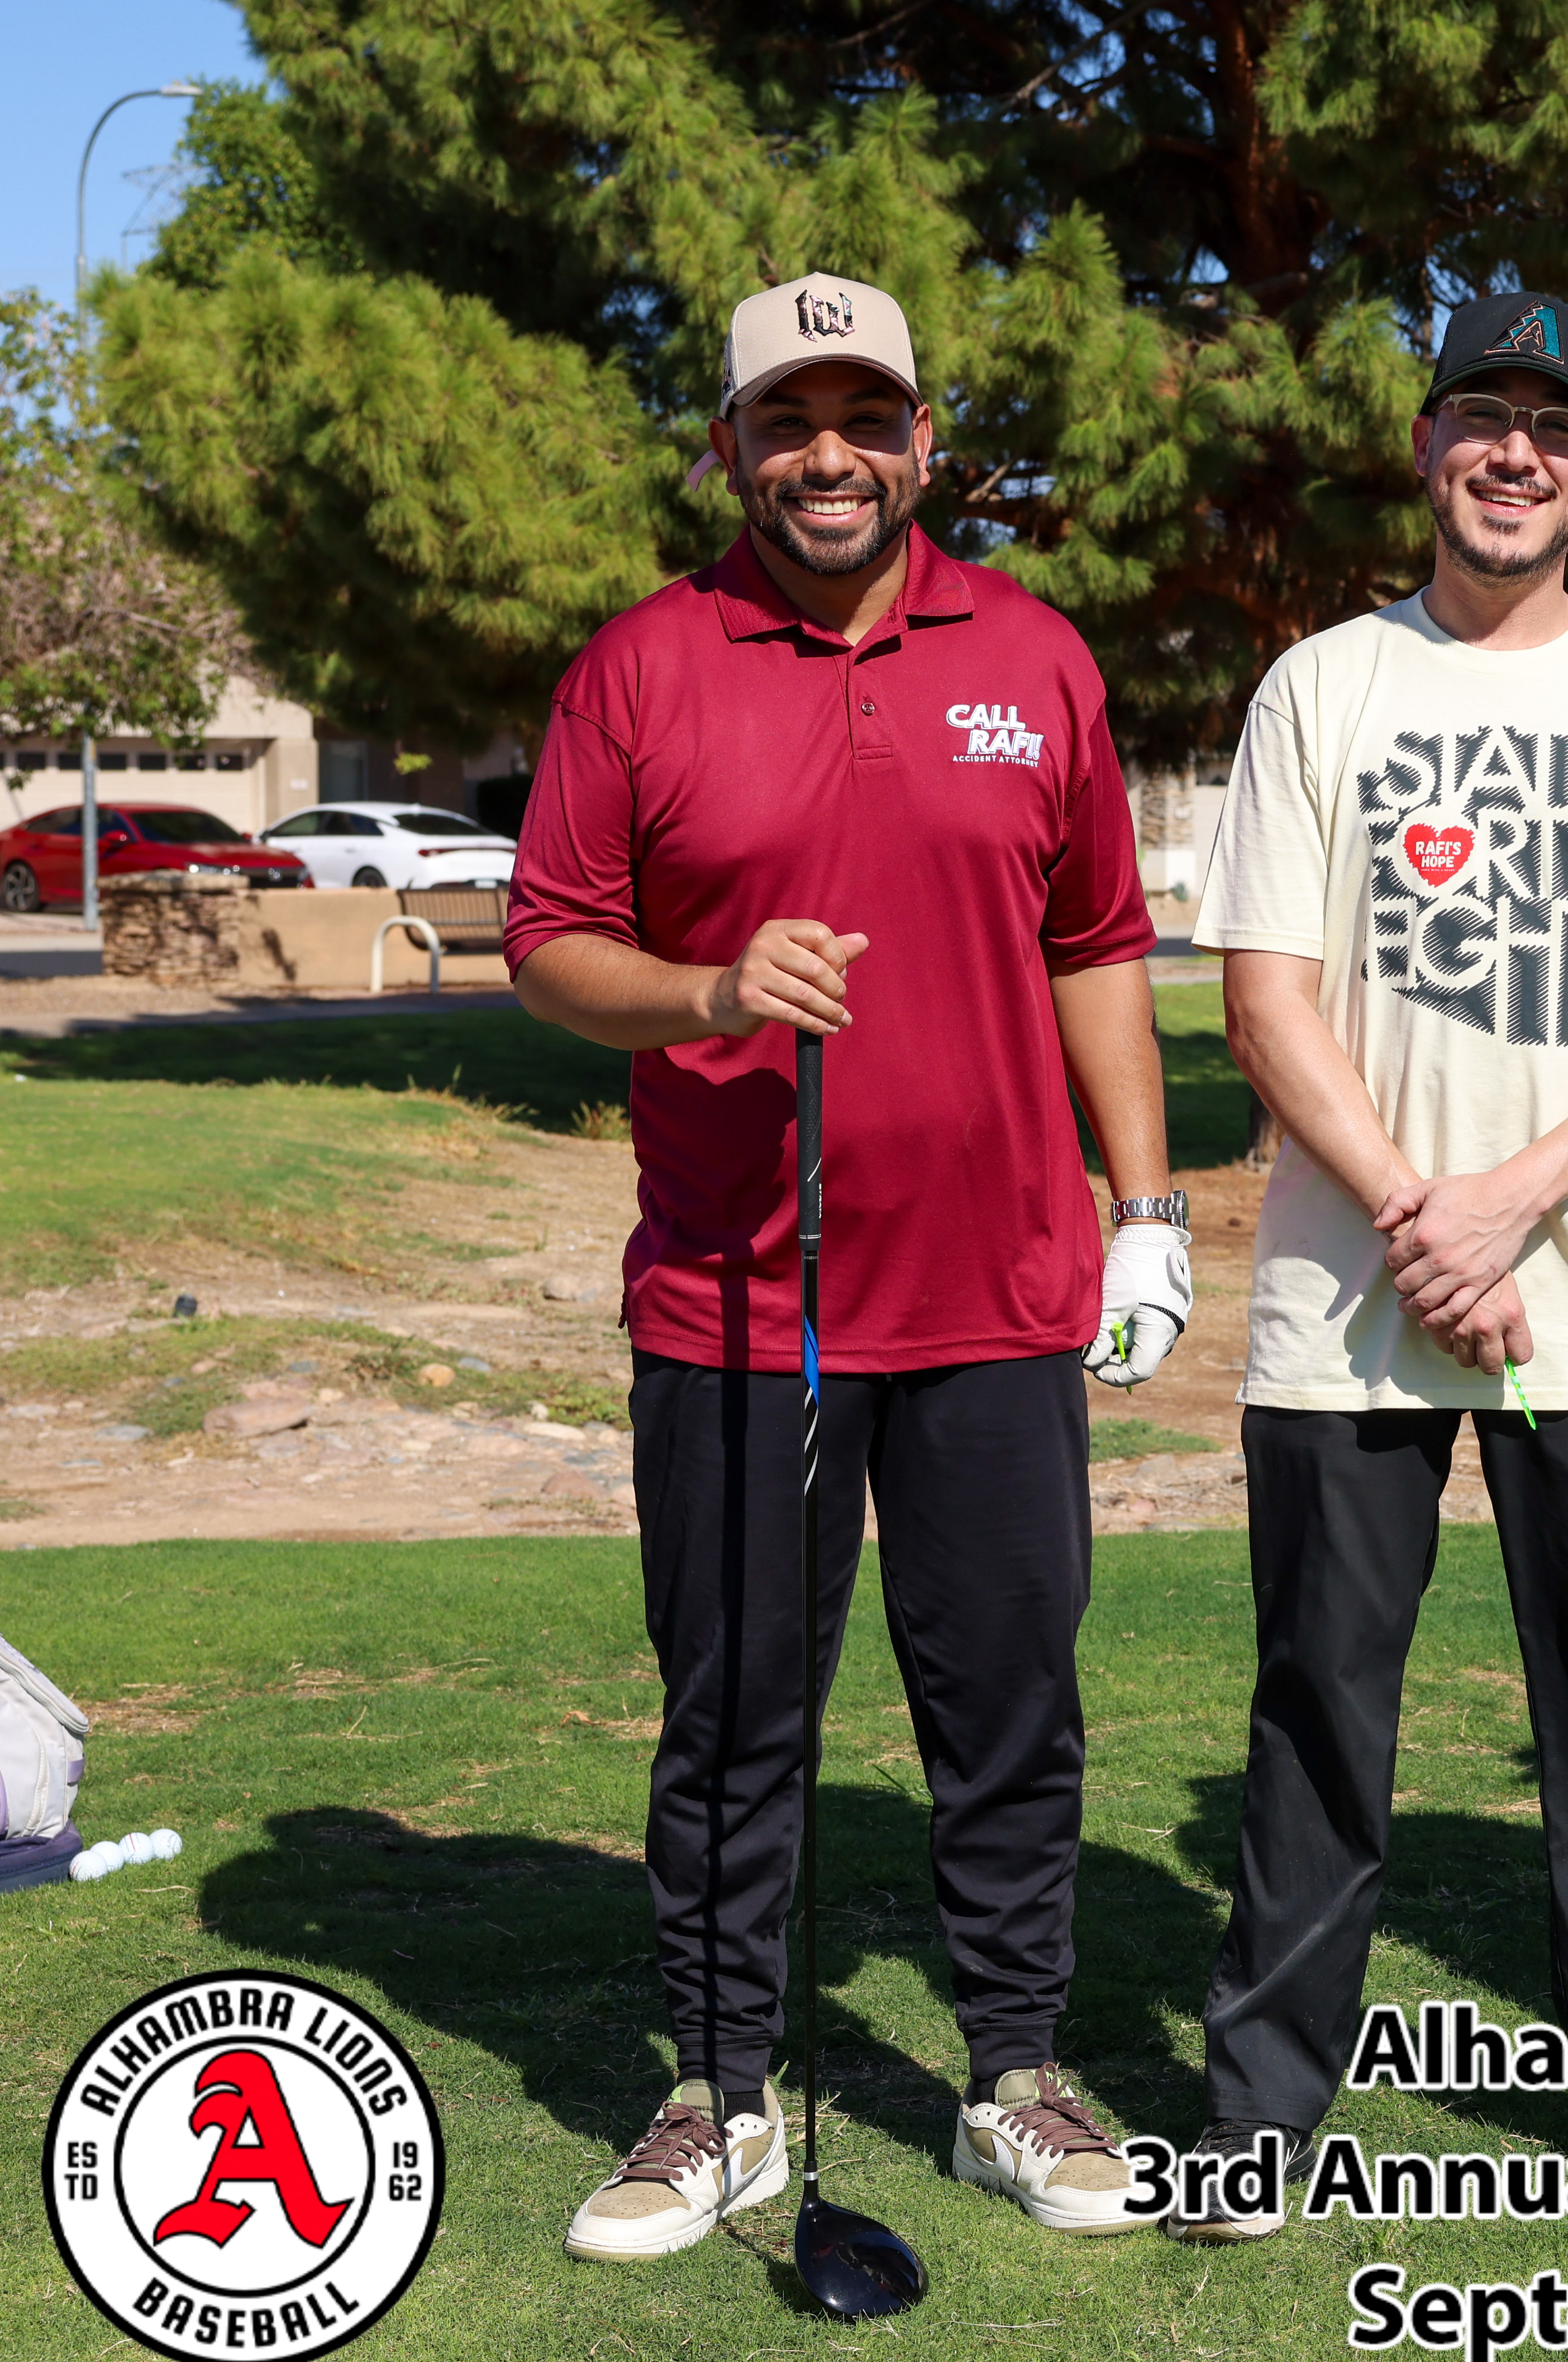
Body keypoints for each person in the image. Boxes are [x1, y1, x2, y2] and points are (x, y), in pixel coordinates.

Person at [509, 273, 1190, 2260]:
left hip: (998, 1294)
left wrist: (1149, 1209)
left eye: (865, 417)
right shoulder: (642, 666)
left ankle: (1015, 2075)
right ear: (728, 448)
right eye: (786, 421)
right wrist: (711, 987)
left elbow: (1099, 945)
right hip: (741, 1301)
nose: (830, 456)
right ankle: (721, 2095)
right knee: (734, 1718)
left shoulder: (1035, 657)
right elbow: (549, 944)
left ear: (923, 442)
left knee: (1010, 1708)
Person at [1175, 291, 1568, 2239]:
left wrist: (1512, 1197)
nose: (1513, 452)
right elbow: (1265, 999)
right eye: (1480, 415)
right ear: (1426, 444)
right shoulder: (1322, 687)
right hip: (1345, 1305)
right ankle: (1261, 2109)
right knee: (1317, 1710)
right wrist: (1422, 1217)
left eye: (1554, 425)